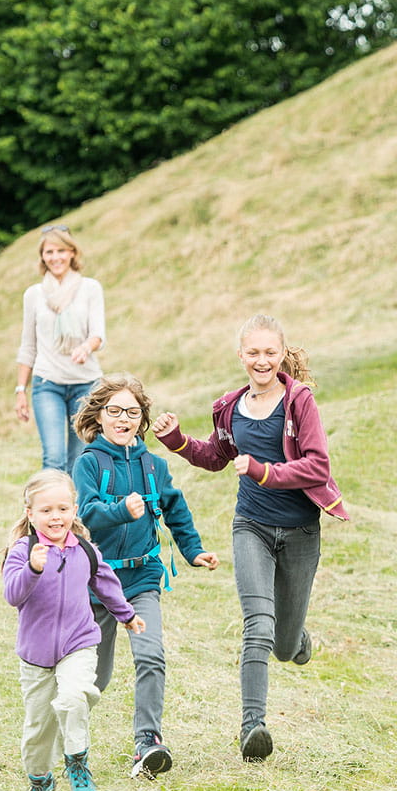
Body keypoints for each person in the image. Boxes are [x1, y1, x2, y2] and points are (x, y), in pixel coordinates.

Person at [152, 315, 348, 762]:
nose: (261, 360)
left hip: (300, 531)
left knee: (281, 644)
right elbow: (215, 456)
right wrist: (177, 440)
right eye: (253, 352)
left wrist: (265, 471)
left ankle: (296, 640)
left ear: (281, 355)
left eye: (270, 352)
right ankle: (252, 728)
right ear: (240, 356)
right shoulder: (229, 407)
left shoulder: (299, 402)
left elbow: (318, 465)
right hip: (252, 526)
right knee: (257, 627)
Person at [70, 374, 219, 780]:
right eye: (115, 411)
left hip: (142, 580)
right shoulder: (88, 463)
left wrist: (193, 551)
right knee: (92, 680)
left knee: (151, 655)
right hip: (96, 585)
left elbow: (176, 510)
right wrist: (121, 510)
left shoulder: (154, 466)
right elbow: (84, 514)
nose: (124, 419)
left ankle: (147, 743)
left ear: (142, 418)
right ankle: (69, 743)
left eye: (132, 413)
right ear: (98, 416)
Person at [3, 470, 142, 791]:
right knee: (39, 728)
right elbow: (12, 595)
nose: (55, 517)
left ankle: (77, 760)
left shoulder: (85, 551)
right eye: (47, 510)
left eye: (63, 509)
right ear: (30, 513)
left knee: (74, 695)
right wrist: (32, 570)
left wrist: (126, 614)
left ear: (74, 510)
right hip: (36, 656)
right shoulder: (24, 551)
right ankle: (39, 780)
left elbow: (105, 583)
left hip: (79, 643)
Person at [13, 225, 106, 475]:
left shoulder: (90, 288)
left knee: (80, 458)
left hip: (85, 383)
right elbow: (28, 345)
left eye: (61, 251)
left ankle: (74, 513)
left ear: (72, 253)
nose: (56, 257)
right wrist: (21, 390)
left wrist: (86, 347)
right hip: (47, 383)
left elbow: (98, 334)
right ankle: (48, 512)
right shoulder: (34, 294)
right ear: (42, 256)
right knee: (53, 458)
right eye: (49, 252)